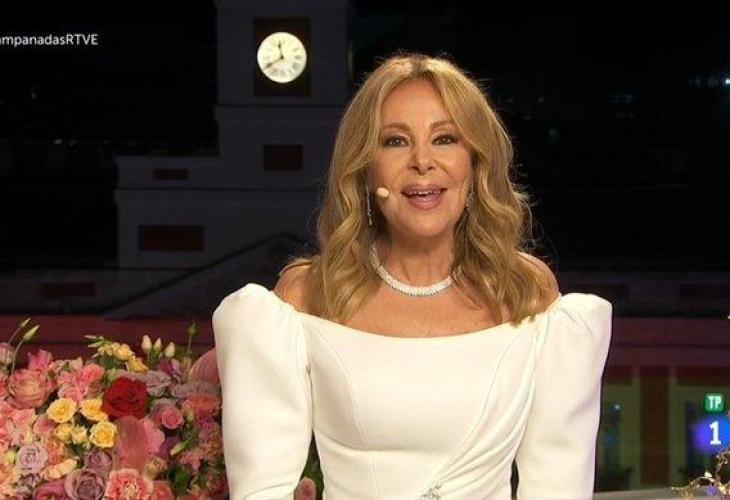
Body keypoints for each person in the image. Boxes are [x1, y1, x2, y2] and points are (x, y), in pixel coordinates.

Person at [213, 52, 613, 499]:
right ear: (366, 171)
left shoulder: (525, 292)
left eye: (445, 139)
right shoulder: (305, 297)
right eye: (396, 141)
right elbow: (262, 490)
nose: (423, 161)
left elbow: (559, 485)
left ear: (474, 165)